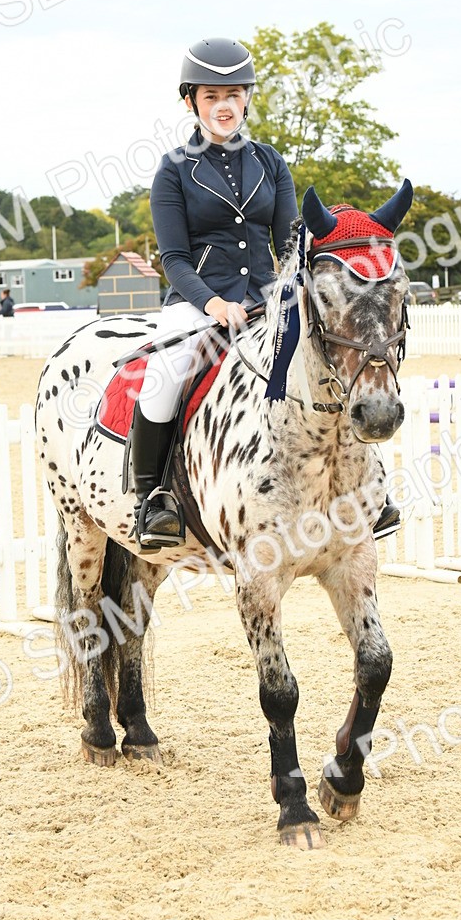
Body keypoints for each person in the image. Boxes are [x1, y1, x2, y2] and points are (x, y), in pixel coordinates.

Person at [131, 37, 298, 550]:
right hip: (198, 303)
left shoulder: (271, 163)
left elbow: (290, 242)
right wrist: (214, 303)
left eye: (233, 94)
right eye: (210, 96)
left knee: (330, 360)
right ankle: (152, 498)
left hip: (268, 300)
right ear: (191, 102)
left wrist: (290, 291)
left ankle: (364, 489)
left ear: (246, 97)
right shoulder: (174, 169)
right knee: (161, 378)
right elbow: (174, 260)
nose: (223, 105)